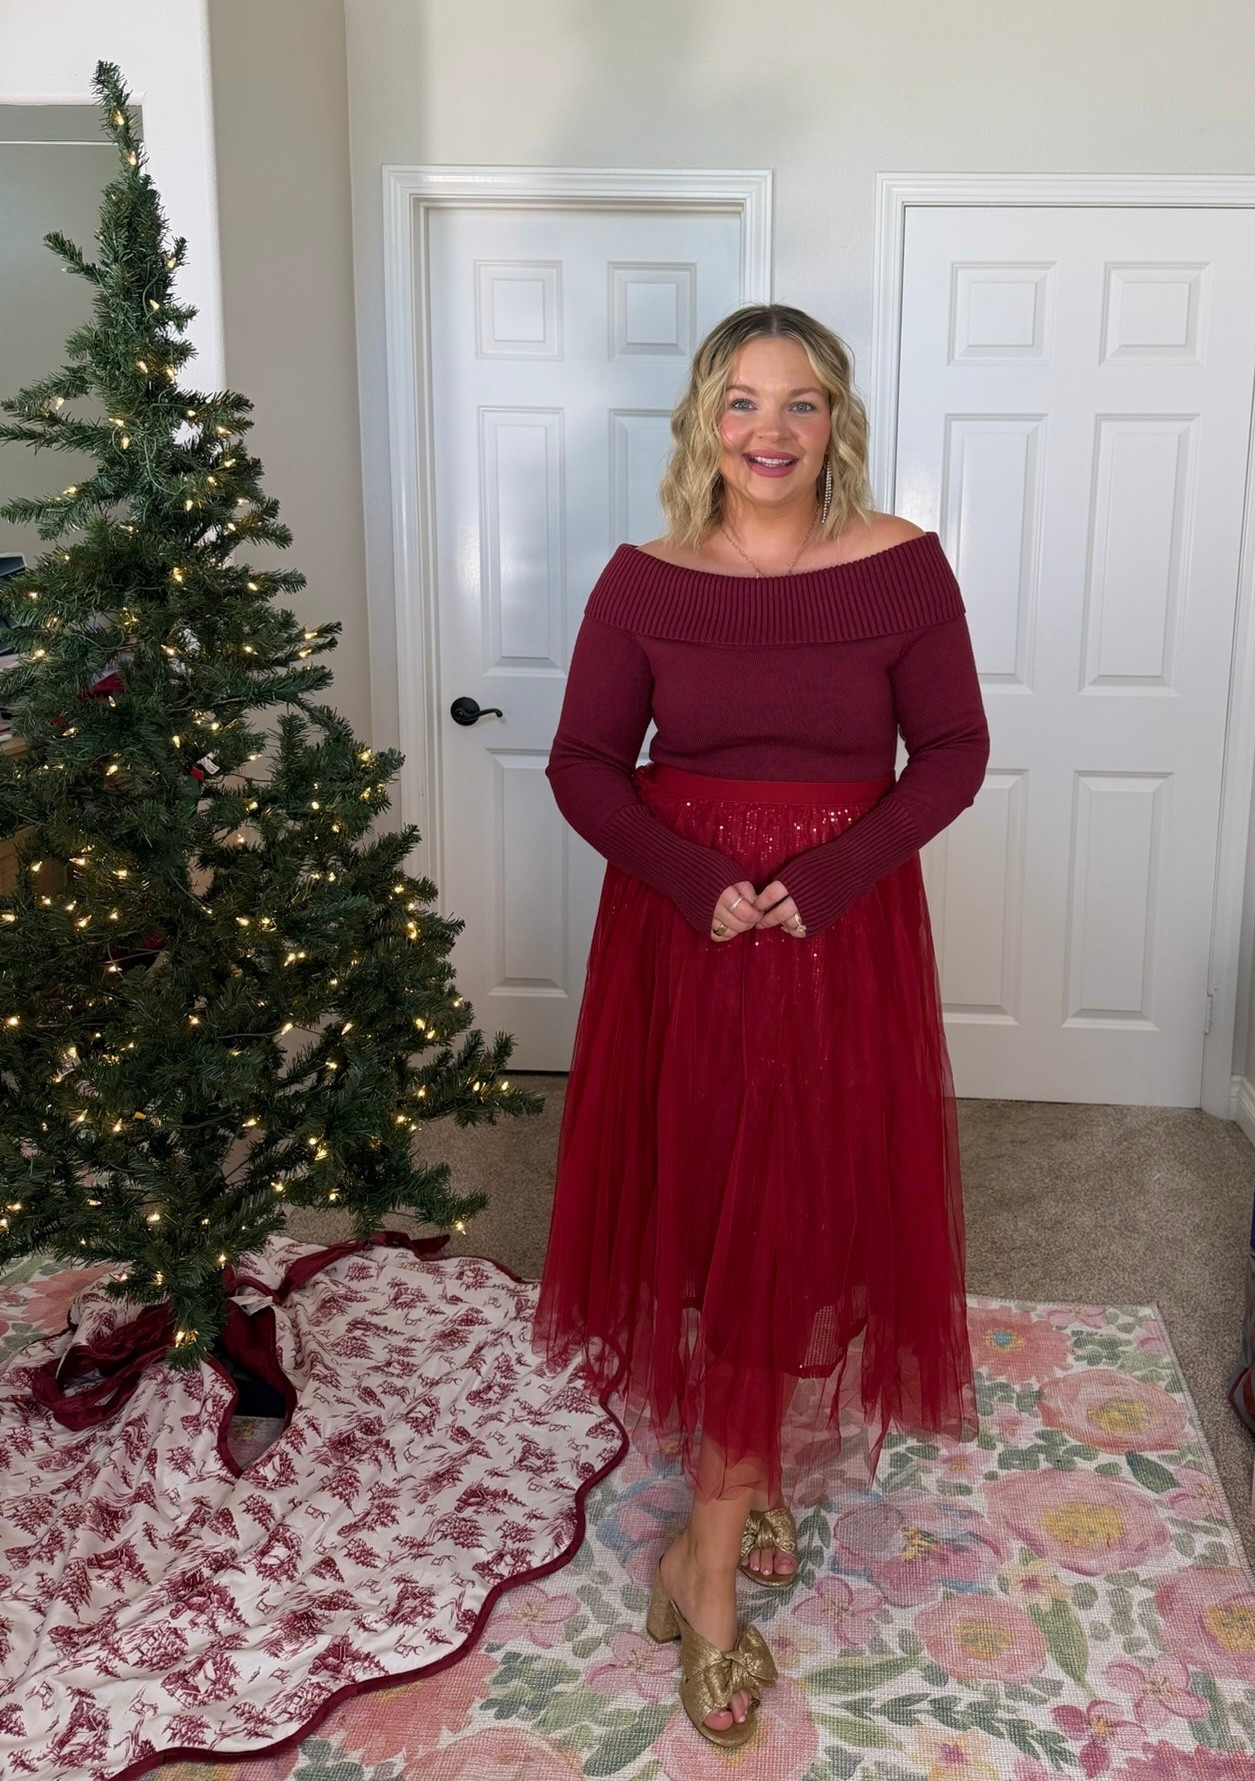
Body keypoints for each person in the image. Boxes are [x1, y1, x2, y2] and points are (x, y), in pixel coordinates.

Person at [531, 302, 989, 1750]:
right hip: (693, 943)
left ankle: (720, 1516)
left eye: (799, 402)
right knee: (718, 1216)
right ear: (704, 422)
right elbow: (584, 762)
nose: (770, 431)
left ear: (835, 419)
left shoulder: (903, 565)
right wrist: (693, 879)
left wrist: (836, 874)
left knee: (808, 1214)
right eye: (742, 401)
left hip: (840, 941)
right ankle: (707, 1572)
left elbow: (955, 750)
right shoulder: (644, 581)